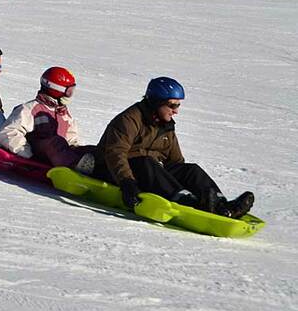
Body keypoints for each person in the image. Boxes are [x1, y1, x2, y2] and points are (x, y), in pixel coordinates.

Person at [95, 76, 254, 218]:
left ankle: (222, 206)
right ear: (156, 102)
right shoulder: (130, 119)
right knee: (146, 162)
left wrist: (188, 180)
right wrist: (127, 183)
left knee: (191, 170)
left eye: (178, 105)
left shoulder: (166, 126)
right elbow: (115, 153)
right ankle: (187, 201)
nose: (176, 111)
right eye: (172, 105)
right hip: (115, 172)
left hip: (148, 172)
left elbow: (176, 161)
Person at [0, 67, 95, 173]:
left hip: (60, 153)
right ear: (56, 89)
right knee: (56, 141)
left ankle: (101, 170)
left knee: (91, 150)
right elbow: (8, 132)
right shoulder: (30, 109)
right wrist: (27, 154)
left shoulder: (63, 114)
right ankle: (73, 167)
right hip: (38, 152)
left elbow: (72, 139)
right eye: (69, 91)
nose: (71, 95)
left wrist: (79, 151)